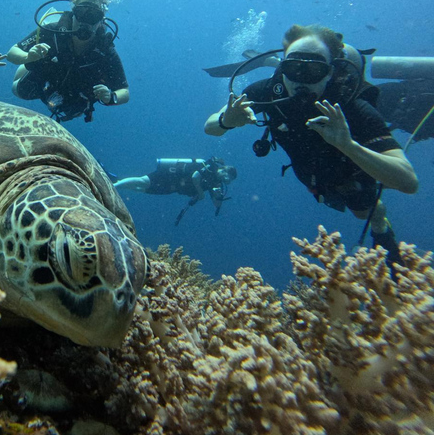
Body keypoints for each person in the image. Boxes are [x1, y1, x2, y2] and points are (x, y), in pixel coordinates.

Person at [204, 24, 418, 270]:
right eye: (293, 68)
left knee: (365, 211)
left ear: (330, 73)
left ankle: (381, 227)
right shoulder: (266, 92)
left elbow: (408, 181)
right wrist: (226, 120)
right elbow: (210, 126)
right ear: (282, 68)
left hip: (349, 173)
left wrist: (348, 145)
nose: (300, 80)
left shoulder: (351, 106)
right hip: (307, 173)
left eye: (314, 70)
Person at [7, 0, 129, 122]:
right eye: (81, 12)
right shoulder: (52, 31)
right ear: (73, 13)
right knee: (18, 90)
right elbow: (12, 52)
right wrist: (28, 57)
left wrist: (111, 97)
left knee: (74, 111)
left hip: (75, 93)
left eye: (93, 16)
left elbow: (124, 91)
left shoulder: (105, 50)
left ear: (101, 21)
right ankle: (29, 63)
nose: (86, 21)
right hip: (45, 77)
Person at [114, 157, 237, 223]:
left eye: (229, 180)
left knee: (142, 189)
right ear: (224, 170)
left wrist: (219, 197)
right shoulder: (211, 167)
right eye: (227, 176)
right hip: (170, 175)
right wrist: (200, 192)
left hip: (173, 187)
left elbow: (216, 204)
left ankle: (117, 183)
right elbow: (195, 176)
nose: (226, 180)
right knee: (143, 181)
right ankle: (114, 186)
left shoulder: (216, 183)